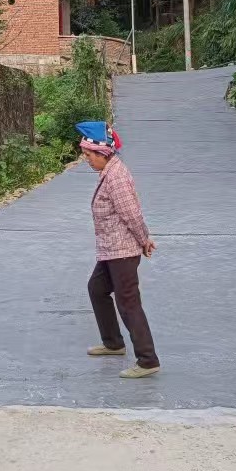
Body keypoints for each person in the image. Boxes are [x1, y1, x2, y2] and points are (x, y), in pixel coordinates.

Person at [79, 120, 160, 379]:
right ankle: (113, 343)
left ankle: (147, 360)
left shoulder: (116, 177)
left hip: (122, 251)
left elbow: (132, 215)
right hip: (110, 250)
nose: (87, 160)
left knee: (128, 302)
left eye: (89, 155)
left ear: (102, 153)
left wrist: (144, 240)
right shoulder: (109, 172)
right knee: (97, 289)